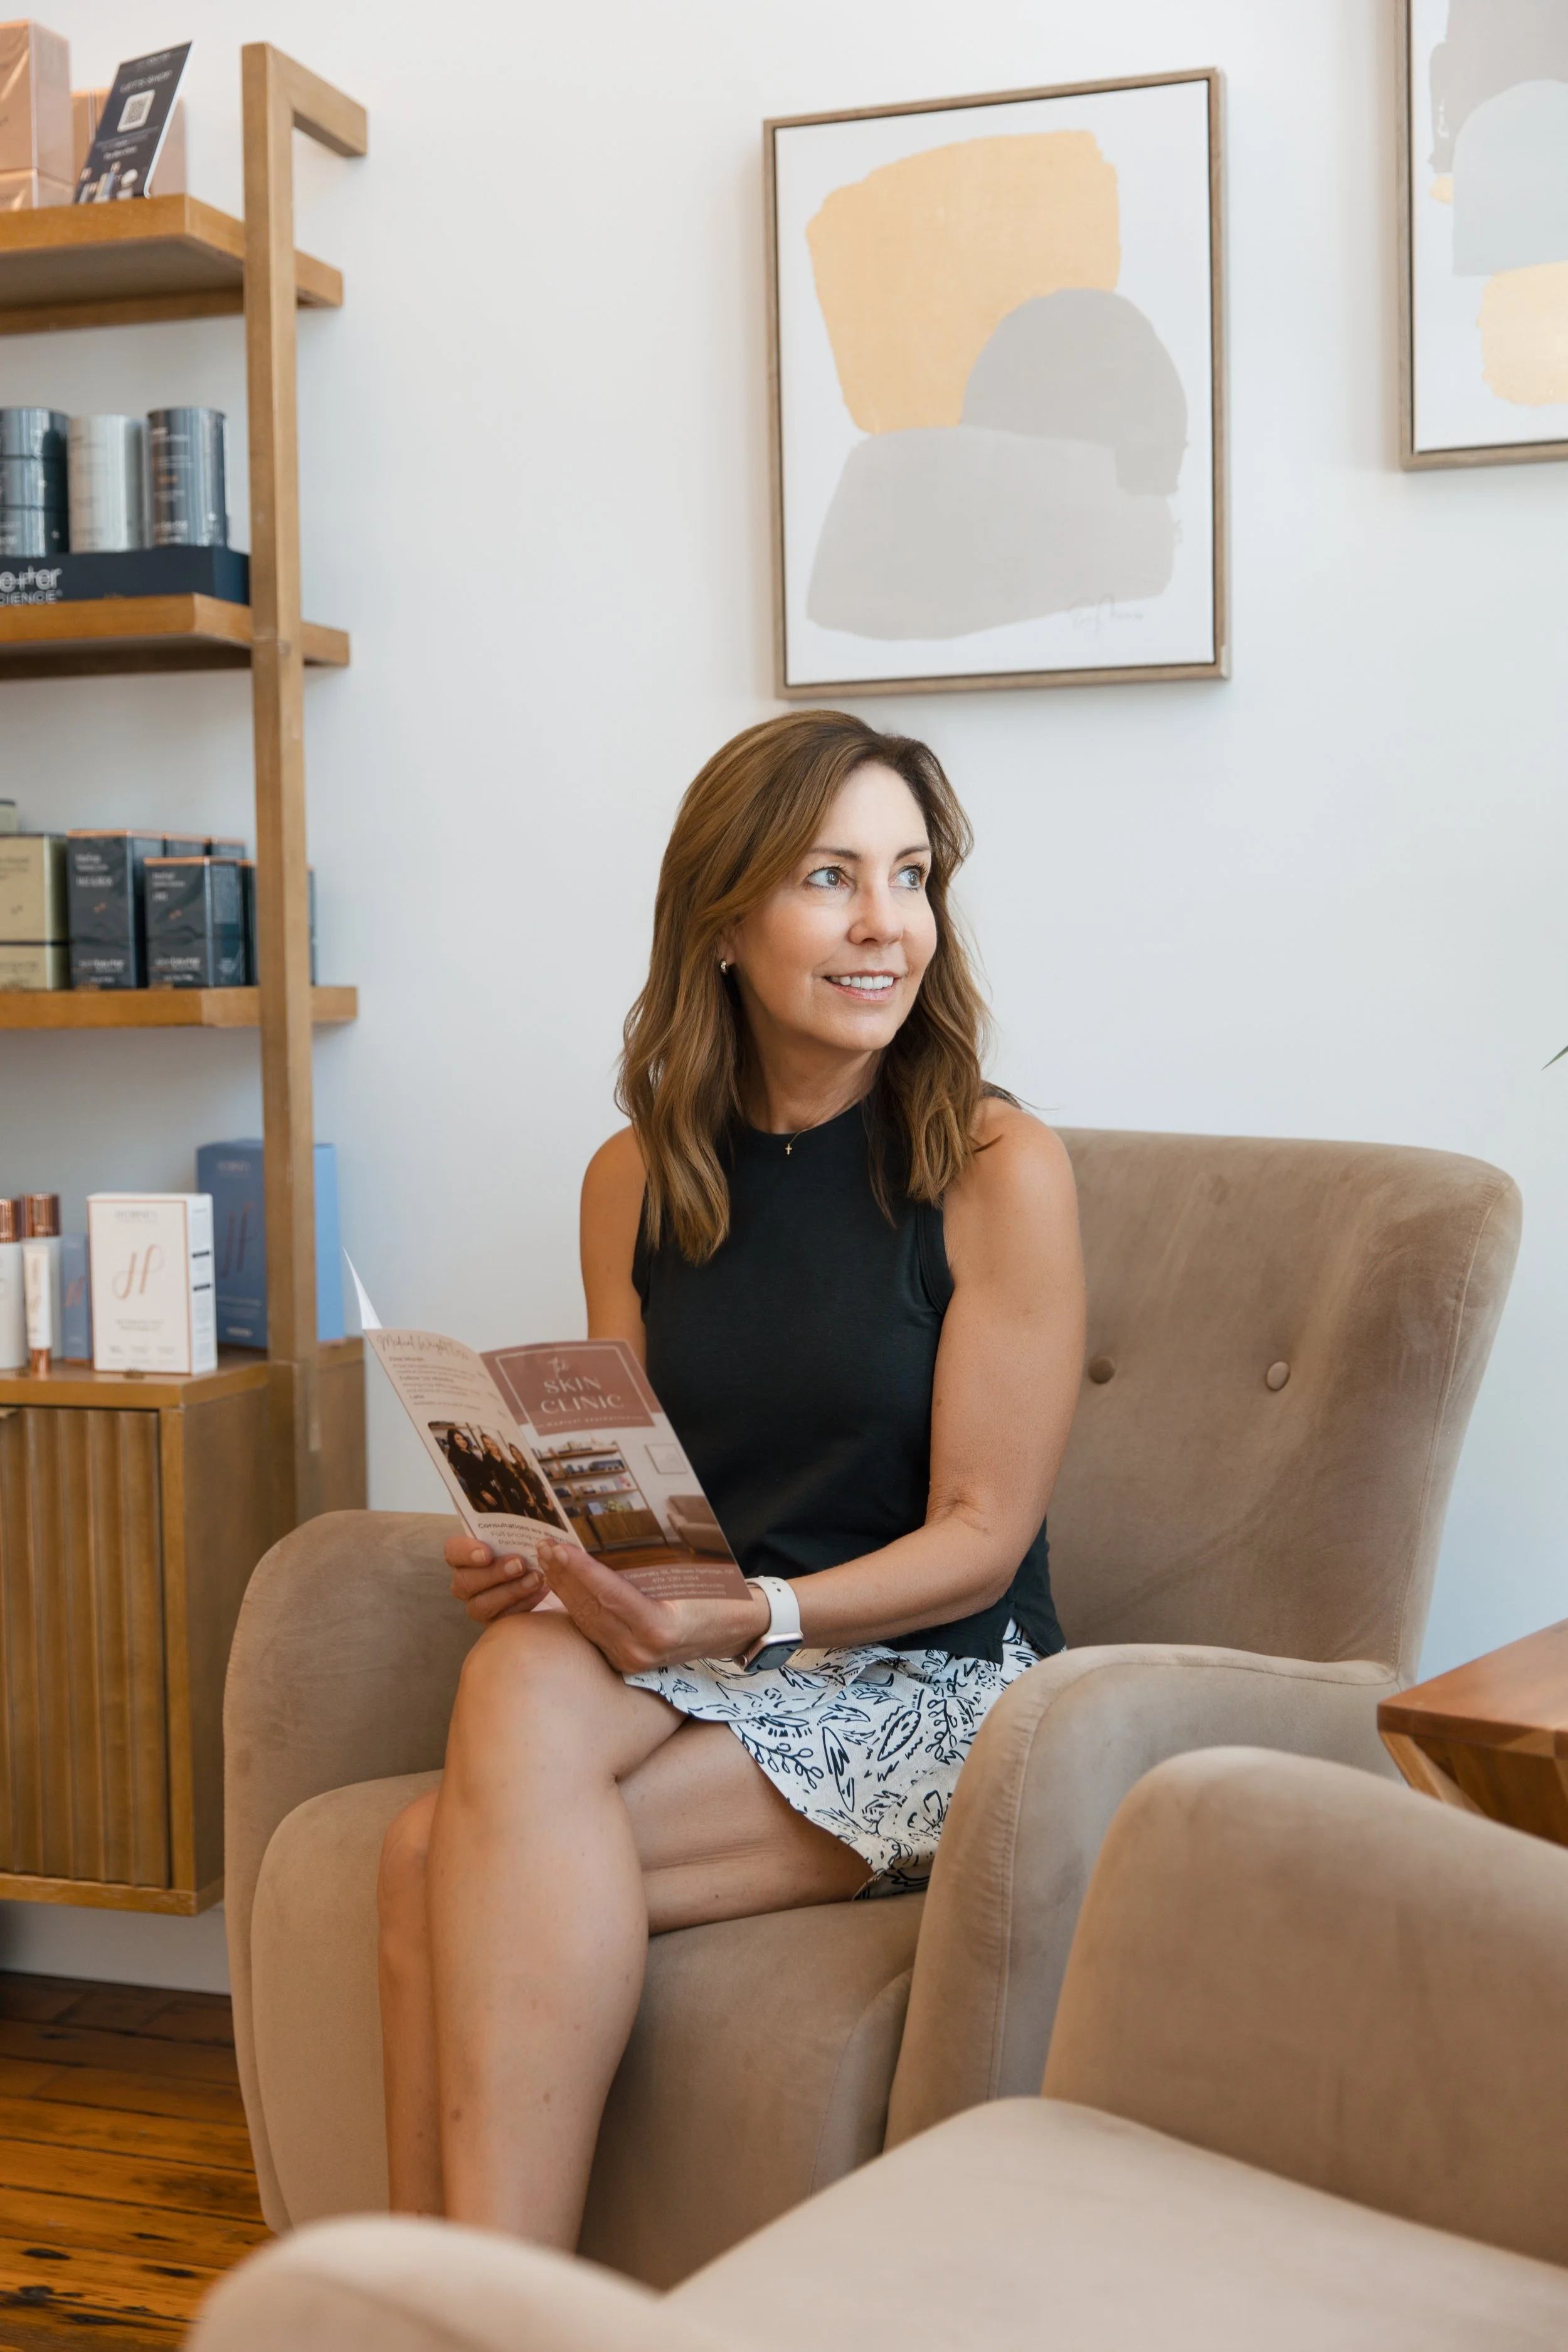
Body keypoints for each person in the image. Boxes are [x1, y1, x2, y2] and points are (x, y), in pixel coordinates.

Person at [377, 709, 1086, 2247]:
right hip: (720, 1649)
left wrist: (753, 1616)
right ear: (722, 918)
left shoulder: (990, 1163)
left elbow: (979, 1540)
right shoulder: (635, 1173)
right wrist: (545, 1554)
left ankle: (483, 2313)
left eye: (908, 877)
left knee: (437, 1858)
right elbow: (633, 1494)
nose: (883, 924)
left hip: (935, 1677)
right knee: (507, 1670)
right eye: (829, 877)